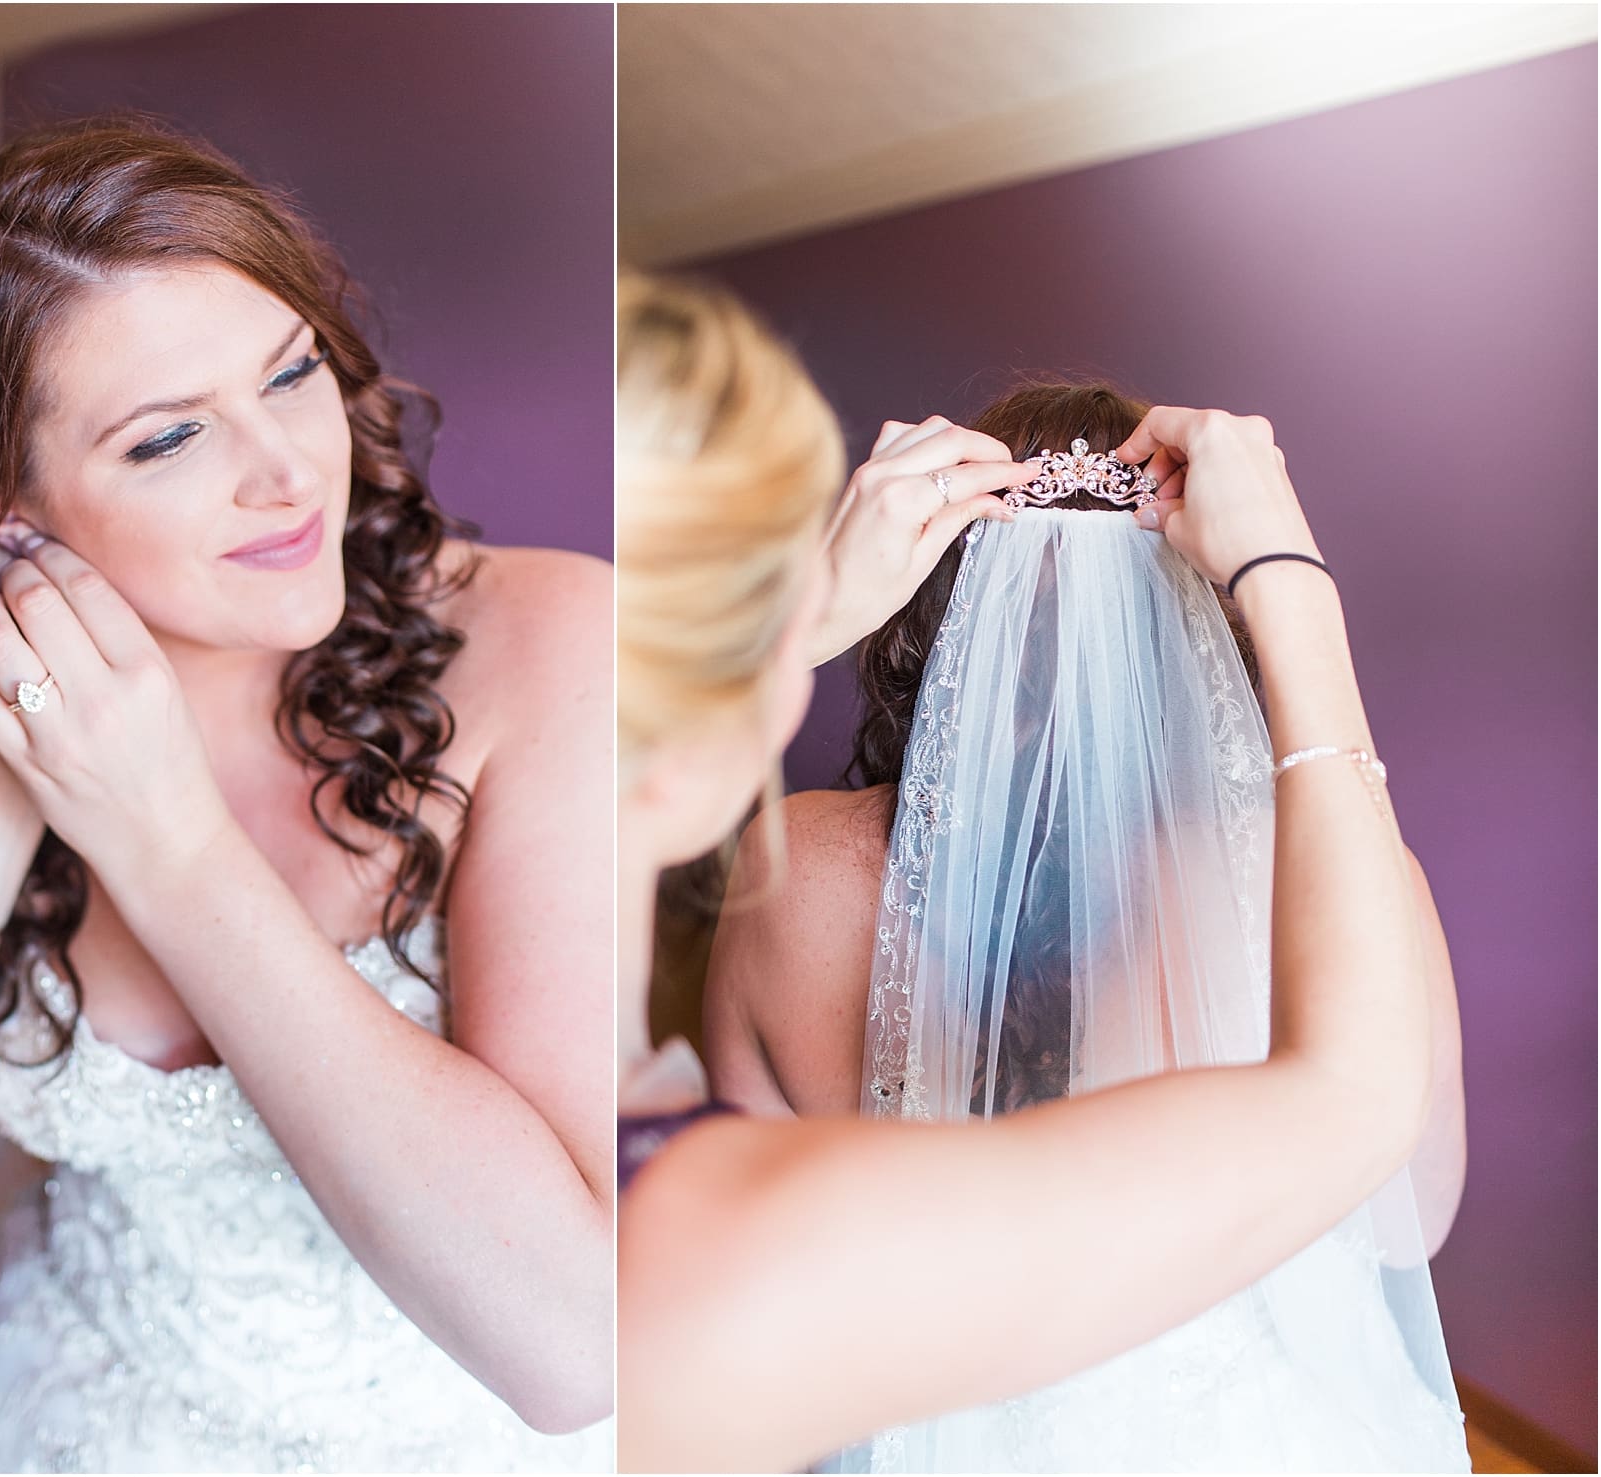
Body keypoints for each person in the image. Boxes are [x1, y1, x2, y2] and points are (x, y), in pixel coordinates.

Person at [0, 117, 612, 1472]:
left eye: (291, 369)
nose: (287, 468)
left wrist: (169, 842)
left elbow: (566, 1349)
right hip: (65, 1404)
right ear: (5, 513)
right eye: (169, 437)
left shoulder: (548, 646)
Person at [615, 273, 1453, 1473]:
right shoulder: (1339, 880)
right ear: (1197, 631)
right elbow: (1401, 1200)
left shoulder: (781, 870)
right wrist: (1288, 588)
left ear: (929, 615)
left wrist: (793, 628)